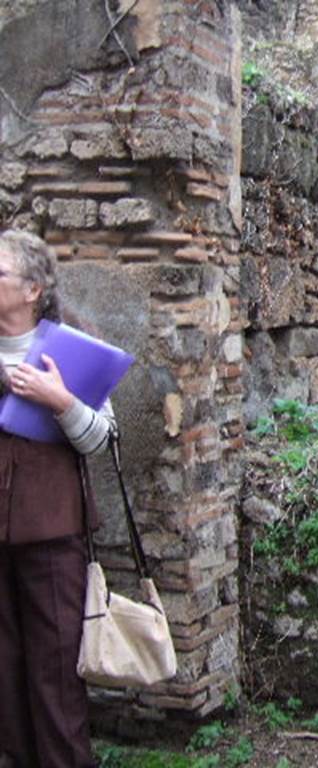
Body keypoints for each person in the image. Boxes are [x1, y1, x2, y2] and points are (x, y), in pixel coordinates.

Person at [0, 230, 115, 768]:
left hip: (51, 533)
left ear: (32, 290)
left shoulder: (73, 346)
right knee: (4, 669)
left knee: (54, 673)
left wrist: (61, 400)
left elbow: (102, 439)